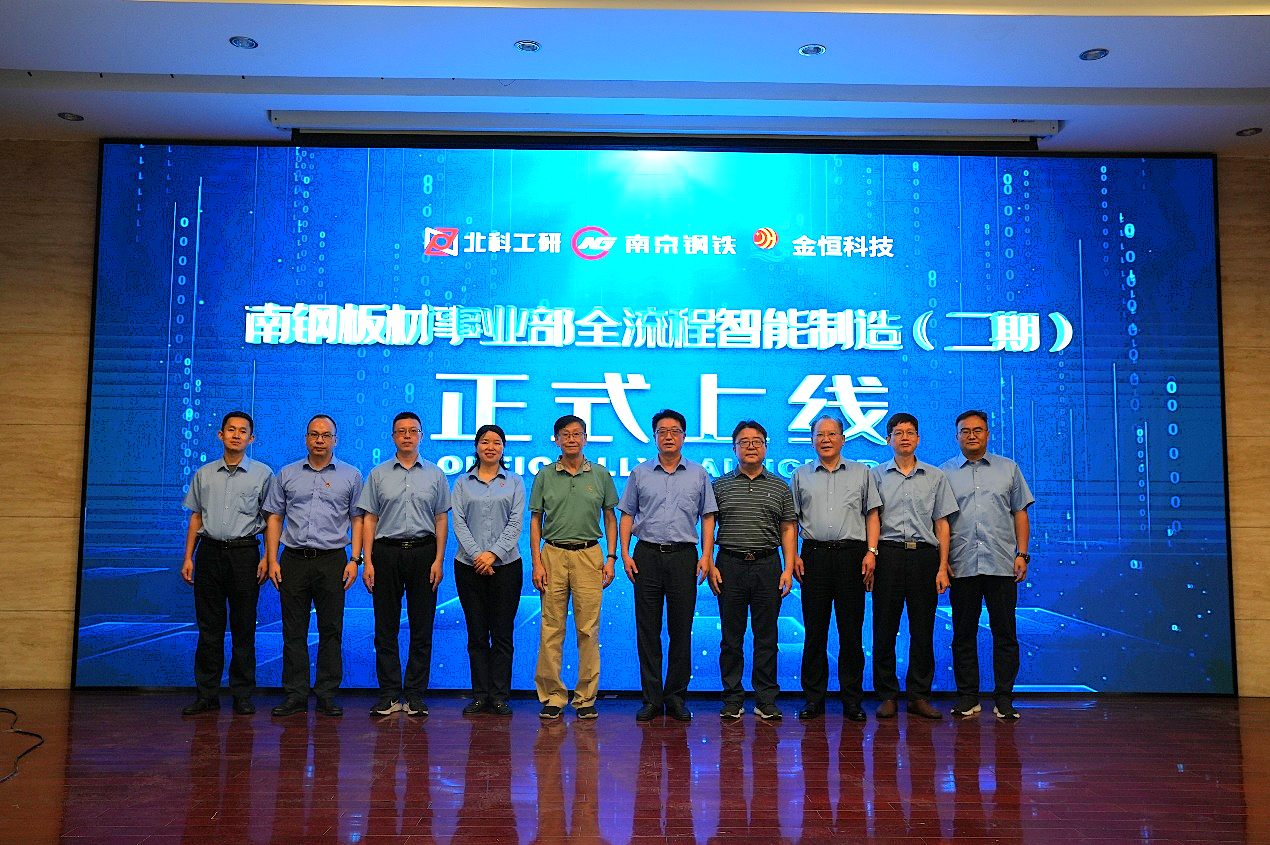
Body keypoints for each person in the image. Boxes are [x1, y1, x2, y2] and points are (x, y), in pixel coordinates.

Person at [618, 409, 717, 722]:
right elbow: (627, 514)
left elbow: (708, 517)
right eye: (662, 431)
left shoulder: (699, 474)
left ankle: (675, 698)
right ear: (655, 437)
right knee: (647, 630)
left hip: (684, 557)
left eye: (675, 431)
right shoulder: (640, 473)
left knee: (680, 630)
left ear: (684, 436)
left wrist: (706, 555)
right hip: (646, 555)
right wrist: (625, 553)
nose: (669, 436)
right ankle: (651, 699)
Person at [264, 414, 364, 718]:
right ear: (306, 438)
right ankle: (295, 694)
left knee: (331, 629)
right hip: (293, 559)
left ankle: (326, 694)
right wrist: (271, 559)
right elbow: (274, 517)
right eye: (314, 434)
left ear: (335, 440)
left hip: (333, 560)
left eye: (325, 435)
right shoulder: (287, 473)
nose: (319, 440)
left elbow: (357, 519)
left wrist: (355, 559)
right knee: (293, 630)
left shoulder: (351, 475)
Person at [940, 410, 1035, 720]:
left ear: (987, 434)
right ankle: (968, 697)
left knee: (1005, 634)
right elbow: (940, 522)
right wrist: (942, 562)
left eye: (978, 430)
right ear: (957, 436)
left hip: (1002, 564)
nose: (972, 435)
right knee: (963, 636)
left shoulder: (1009, 469)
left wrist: (1022, 554)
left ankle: (1004, 698)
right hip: (961, 565)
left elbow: (1020, 513)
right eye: (965, 431)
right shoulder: (944, 473)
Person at [180, 411, 276, 716]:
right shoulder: (204, 474)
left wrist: (268, 557)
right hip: (209, 553)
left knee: (243, 627)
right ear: (220, 435)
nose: (236, 435)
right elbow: (196, 517)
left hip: (245, 554)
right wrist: (188, 556)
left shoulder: (263, 474)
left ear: (251, 438)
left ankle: (242, 695)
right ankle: (206, 695)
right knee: (209, 627)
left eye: (242, 431)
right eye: (231, 430)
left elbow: (271, 519)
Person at [357, 411, 450, 718]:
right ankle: (388, 694)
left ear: (421, 436)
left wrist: (438, 560)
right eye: (401, 431)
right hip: (386, 553)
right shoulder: (378, 474)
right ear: (393, 436)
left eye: (413, 431)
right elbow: (369, 519)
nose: (407, 436)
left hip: (424, 553)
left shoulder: (435, 474)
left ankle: (415, 695)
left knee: (422, 627)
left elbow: (441, 519)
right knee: (385, 626)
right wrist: (367, 561)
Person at [790, 413, 881, 722]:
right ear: (812, 440)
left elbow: (872, 515)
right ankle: (813, 699)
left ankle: (852, 700)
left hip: (851, 557)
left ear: (843, 439)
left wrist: (871, 552)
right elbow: (791, 521)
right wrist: (794, 556)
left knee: (851, 632)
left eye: (831, 434)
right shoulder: (800, 475)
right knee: (814, 632)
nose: (825, 439)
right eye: (819, 434)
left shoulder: (861, 472)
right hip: (813, 556)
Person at [529, 414, 619, 720]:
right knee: (551, 628)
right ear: (556, 440)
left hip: (589, 555)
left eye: (577, 434)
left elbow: (610, 518)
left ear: (585, 438)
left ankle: (585, 697)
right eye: (565, 434)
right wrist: (537, 562)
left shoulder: (600, 474)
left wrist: (611, 558)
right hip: (552, 554)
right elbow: (536, 521)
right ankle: (553, 696)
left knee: (588, 629)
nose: (571, 439)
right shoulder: (544, 475)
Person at [870, 412, 958, 720]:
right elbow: (871, 519)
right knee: (884, 628)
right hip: (888, 555)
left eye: (910, 432)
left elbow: (942, 523)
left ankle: (919, 695)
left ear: (918, 438)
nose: (904, 437)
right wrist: (871, 555)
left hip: (924, 557)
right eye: (898, 432)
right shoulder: (875, 476)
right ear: (888, 439)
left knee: (922, 629)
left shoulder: (935, 476)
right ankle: (887, 695)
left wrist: (943, 566)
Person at [708, 420, 797, 721]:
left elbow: (788, 528)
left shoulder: (779, 486)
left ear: (765, 447)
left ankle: (766, 699)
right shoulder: (719, 486)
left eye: (757, 441)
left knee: (767, 636)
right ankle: (732, 699)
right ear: (734, 448)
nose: (750, 446)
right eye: (744, 441)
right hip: (729, 564)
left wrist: (787, 567)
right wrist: (710, 563)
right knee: (731, 638)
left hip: (767, 565)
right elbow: (709, 526)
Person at [452, 424, 525, 717]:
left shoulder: (515, 482)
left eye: (496, 442)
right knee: (477, 634)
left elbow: (516, 523)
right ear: (476, 446)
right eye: (485, 442)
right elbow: (458, 522)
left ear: (503, 448)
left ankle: (500, 696)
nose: (490, 447)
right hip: (468, 566)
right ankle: (480, 695)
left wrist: (493, 554)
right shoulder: (462, 483)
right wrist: (477, 556)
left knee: (502, 633)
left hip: (506, 567)